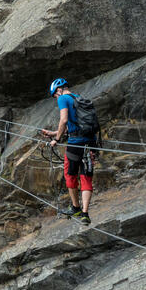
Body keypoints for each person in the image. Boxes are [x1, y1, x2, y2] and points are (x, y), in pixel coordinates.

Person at [41, 78, 96, 225]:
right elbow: (73, 126)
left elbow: (64, 120)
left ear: (58, 90)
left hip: (75, 145)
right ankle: (85, 214)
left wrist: (56, 140)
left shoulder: (63, 98)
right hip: (90, 143)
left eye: (55, 96)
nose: (56, 99)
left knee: (70, 175)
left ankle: (75, 207)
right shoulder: (79, 98)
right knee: (86, 177)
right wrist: (53, 133)